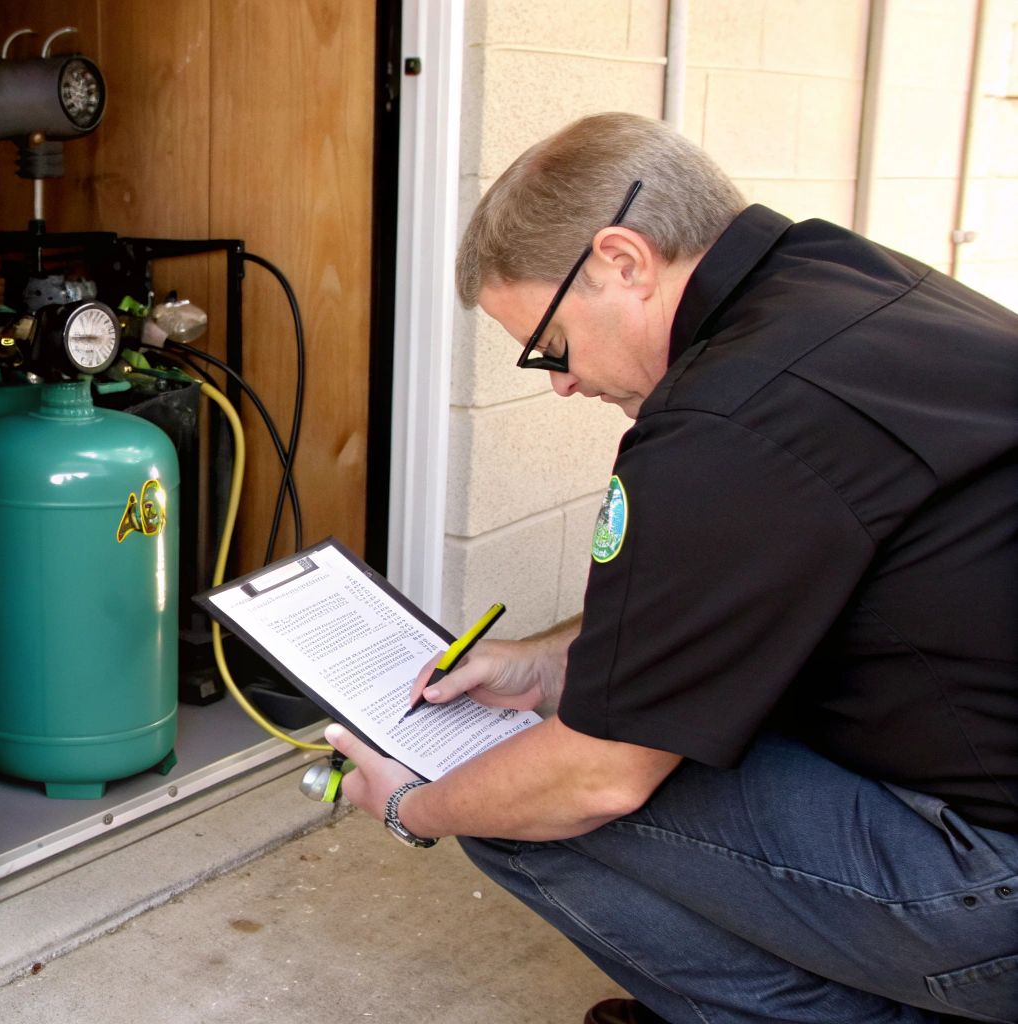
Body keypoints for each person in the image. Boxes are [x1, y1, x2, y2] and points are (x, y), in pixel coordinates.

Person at [325, 111, 1018, 1024]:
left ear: (623, 260)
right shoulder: (847, 284)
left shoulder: (727, 423)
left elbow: (596, 778)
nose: (561, 384)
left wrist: (415, 807)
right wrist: (546, 664)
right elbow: (745, 582)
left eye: (550, 346)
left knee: (511, 806)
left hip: (988, 889)